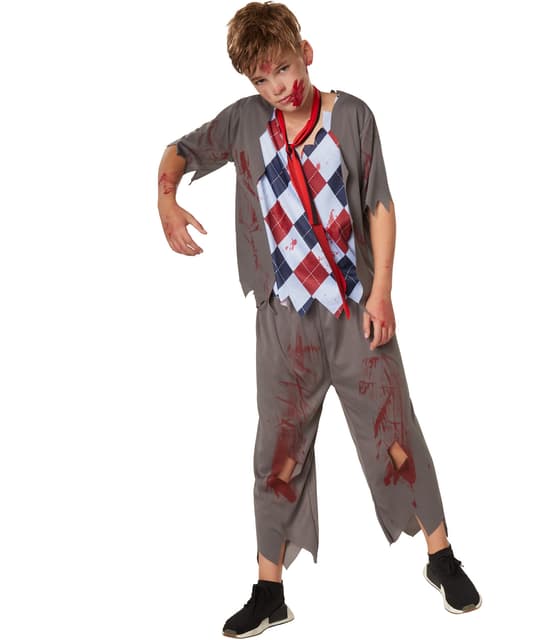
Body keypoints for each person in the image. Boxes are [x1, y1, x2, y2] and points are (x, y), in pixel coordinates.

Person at [156, 2, 481, 636]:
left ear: (305, 52)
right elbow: (177, 151)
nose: (277, 87)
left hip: (355, 310)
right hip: (283, 322)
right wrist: (166, 202)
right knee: (277, 451)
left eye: (282, 68)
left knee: (396, 432)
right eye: (261, 78)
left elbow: (379, 203)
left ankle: (441, 557)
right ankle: (269, 591)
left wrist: (383, 292)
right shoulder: (245, 121)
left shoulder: (352, 116)